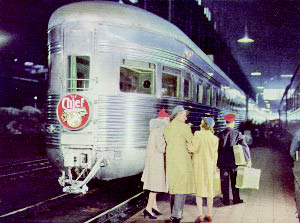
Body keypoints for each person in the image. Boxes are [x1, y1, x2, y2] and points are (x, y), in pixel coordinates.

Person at [163, 105, 195, 223]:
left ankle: (174, 213)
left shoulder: (167, 128)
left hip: (171, 161)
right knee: (181, 188)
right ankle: (176, 215)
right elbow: (191, 141)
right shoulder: (185, 127)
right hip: (182, 161)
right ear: (179, 114)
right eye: (185, 116)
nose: (186, 118)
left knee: (174, 187)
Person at [141, 108, 170, 219]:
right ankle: (148, 208)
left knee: (154, 185)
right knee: (155, 186)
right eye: (168, 118)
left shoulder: (155, 129)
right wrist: (169, 144)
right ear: (164, 119)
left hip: (153, 161)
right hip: (157, 162)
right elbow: (161, 148)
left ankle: (154, 206)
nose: (169, 121)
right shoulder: (160, 130)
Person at [217, 113, 251, 206]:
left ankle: (226, 200)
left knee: (224, 182)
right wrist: (248, 160)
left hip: (223, 162)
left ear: (225, 122)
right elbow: (245, 147)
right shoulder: (237, 134)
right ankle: (236, 199)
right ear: (233, 122)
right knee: (235, 182)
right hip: (234, 161)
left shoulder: (220, 134)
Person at [189, 117, 219, 223]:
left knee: (199, 192)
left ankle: (200, 215)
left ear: (204, 124)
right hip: (210, 167)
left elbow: (193, 149)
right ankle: (209, 215)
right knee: (209, 191)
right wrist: (215, 167)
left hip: (198, 167)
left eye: (201, 122)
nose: (200, 124)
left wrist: (188, 143)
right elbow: (215, 155)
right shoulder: (215, 139)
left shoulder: (197, 134)